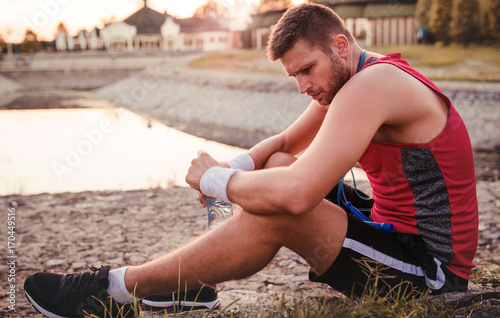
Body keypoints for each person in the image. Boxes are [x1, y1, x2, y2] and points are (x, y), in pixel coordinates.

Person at [24, 3, 478, 317]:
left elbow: (299, 195)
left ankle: (113, 290)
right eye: (293, 75)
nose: (302, 86)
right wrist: (236, 168)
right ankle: (188, 285)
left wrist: (216, 180)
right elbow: (283, 142)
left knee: (283, 205)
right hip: (392, 229)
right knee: (279, 162)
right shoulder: (358, 74)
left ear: (340, 46)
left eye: (306, 70)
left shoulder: (371, 87)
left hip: (432, 274)